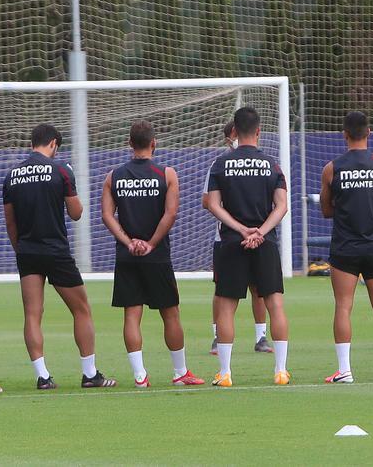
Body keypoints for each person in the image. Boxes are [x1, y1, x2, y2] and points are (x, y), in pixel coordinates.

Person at [5, 123, 114, 389]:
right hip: (55, 250)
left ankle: (42, 376)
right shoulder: (61, 170)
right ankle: (89, 374)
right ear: (53, 143)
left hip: (27, 251)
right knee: (81, 309)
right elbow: (76, 213)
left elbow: (10, 222)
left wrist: (20, 249)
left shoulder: (12, 175)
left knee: (32, 313)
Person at [101, 121, 203, 388]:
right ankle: (180, 372)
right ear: (154, 143)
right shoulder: (167, 174)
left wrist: (128, 242)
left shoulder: (114, 175)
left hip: (127, 256)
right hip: (157, 256)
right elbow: (170, 214)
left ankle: (140, 376)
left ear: (129, 143)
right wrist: (151, 244)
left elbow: (106, 216)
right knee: (171, 313)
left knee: (131, 315)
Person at [205, 107, 290, 387]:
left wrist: (241, 229)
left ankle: (226, 373)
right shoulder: (272, 165)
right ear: (258, 131)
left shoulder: (220, 164)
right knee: (275, 304)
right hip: (265, 242)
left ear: (234, 132)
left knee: (227, 308)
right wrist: (260, 232)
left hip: (231, 242)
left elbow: (213, 205)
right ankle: (280, 371)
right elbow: (282, 206)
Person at [318, 111, 373, 383]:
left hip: (346, 246)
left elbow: (326, 210)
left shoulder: (332, 168)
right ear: (370, 133)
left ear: (344, 135)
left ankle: (345, 370)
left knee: (343, 306)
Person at [208, 121, 272, 356]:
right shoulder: (220, 164)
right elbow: (208, 201)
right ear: (229, 139)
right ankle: (217, 336)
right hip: (226, 237)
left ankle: (261, 336)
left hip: (257, 234)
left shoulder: (262, 163)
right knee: (222, 289)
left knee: (259, 288)